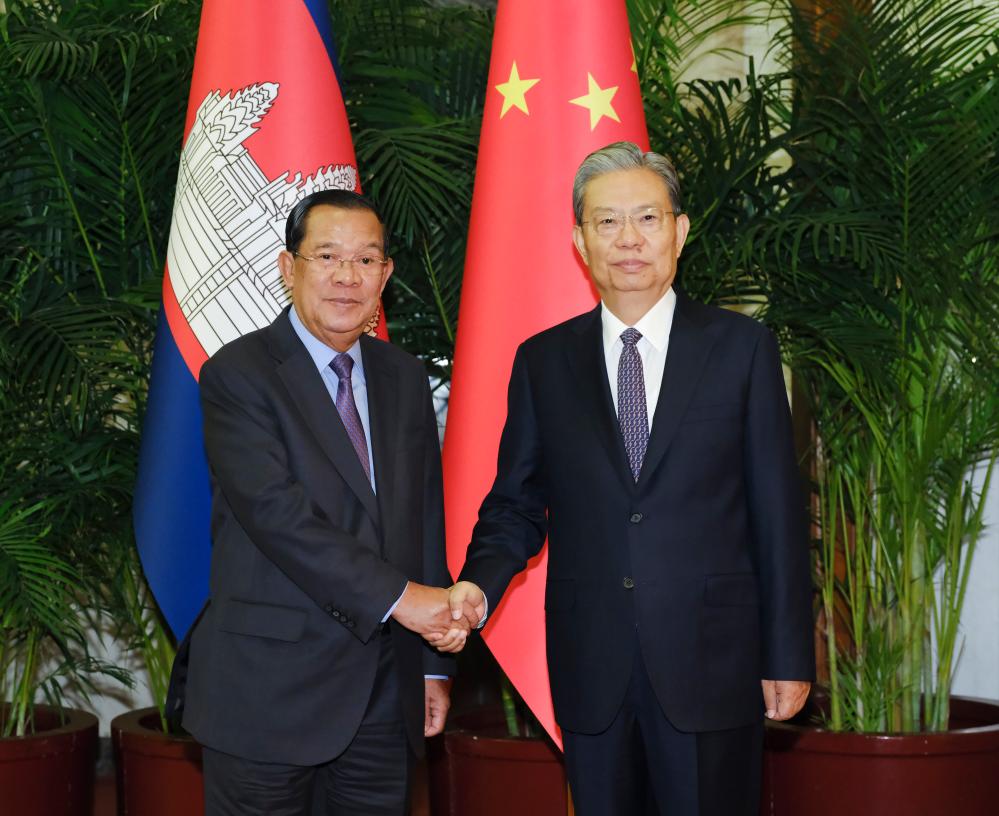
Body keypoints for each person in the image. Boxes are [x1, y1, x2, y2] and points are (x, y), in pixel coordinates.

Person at [442, 142, 815, 815]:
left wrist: (787, 653)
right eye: (606, 222)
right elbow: (516, 504)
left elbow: (776, 513)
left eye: (647, 218)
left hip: (713, 660)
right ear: (579, 241)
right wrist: (478, 582)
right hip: (593, 664)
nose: (628, 239)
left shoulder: (741, 349)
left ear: (679, 230)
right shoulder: (543, 362)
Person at [181, 189, 466, 816]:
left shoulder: (404, 377)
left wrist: (429, 668)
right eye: (328, 256)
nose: (347, 276)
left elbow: (422, 520)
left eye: (366, 260)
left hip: (383, 694)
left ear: (385, 276)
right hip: (268, 692)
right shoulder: (238, 374)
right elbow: (278, 516)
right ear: (289, 267)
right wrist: (405, 600)